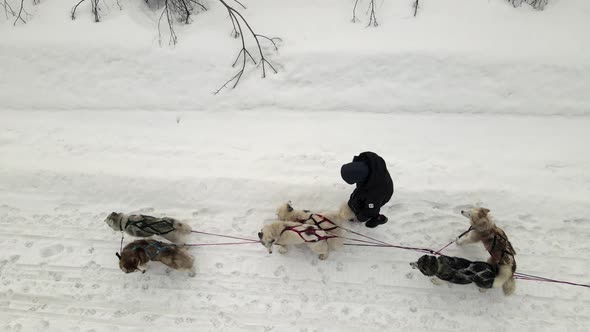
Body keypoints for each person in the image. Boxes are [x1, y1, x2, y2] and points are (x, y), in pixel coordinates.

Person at [341, 151, 394, 228]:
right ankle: (353, 206)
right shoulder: (368, 164)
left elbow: (370, 211)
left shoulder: (374, 194)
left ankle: (372, 219)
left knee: (363, 206)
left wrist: (360, 218)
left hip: (383, 193)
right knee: (357, 198)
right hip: (374, 183)